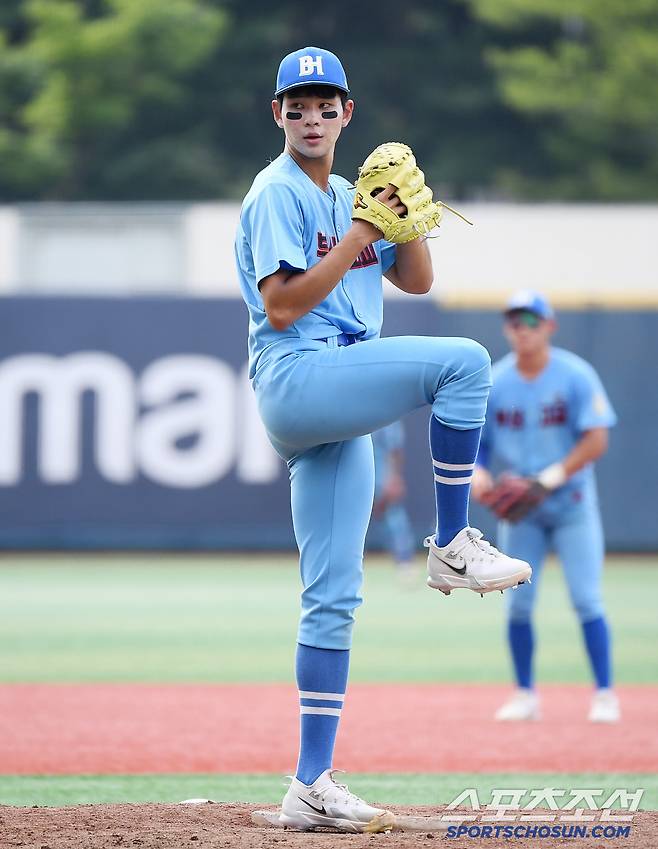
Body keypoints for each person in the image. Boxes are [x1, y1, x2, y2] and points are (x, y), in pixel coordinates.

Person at [234, 46, 531, 832]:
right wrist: (363, 226)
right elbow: (289, 305)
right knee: (465, 363)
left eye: (325, 102)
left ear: (347, 113)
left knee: (332, 599)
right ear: (278, 115)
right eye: (296, 103)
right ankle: (452, 539)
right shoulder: (276, 194)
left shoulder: (350, 190)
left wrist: (409, 219)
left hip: (339, 399)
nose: (311, 115)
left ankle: (310, 784)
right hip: (300, 375)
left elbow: (417, 280)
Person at [471, 290, 620, 723]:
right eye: (515, 321)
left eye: (531, 320)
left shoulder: (575, 375)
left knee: (587, 599)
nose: (522, 329)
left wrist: (550, 478)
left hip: (571, 503)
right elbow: (478, 444)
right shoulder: (496, 381)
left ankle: (606, 693)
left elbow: (597, 438)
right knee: (517, 604)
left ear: (549, 326)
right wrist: (478, 474)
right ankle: (524, 693)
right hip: (524, 513)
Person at [371, 421, 416, 577]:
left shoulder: (388, 417)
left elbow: (395, 450)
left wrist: (394, 477)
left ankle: (405, 562)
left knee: (393, 516)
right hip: (359, 477)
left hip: (382, 478)